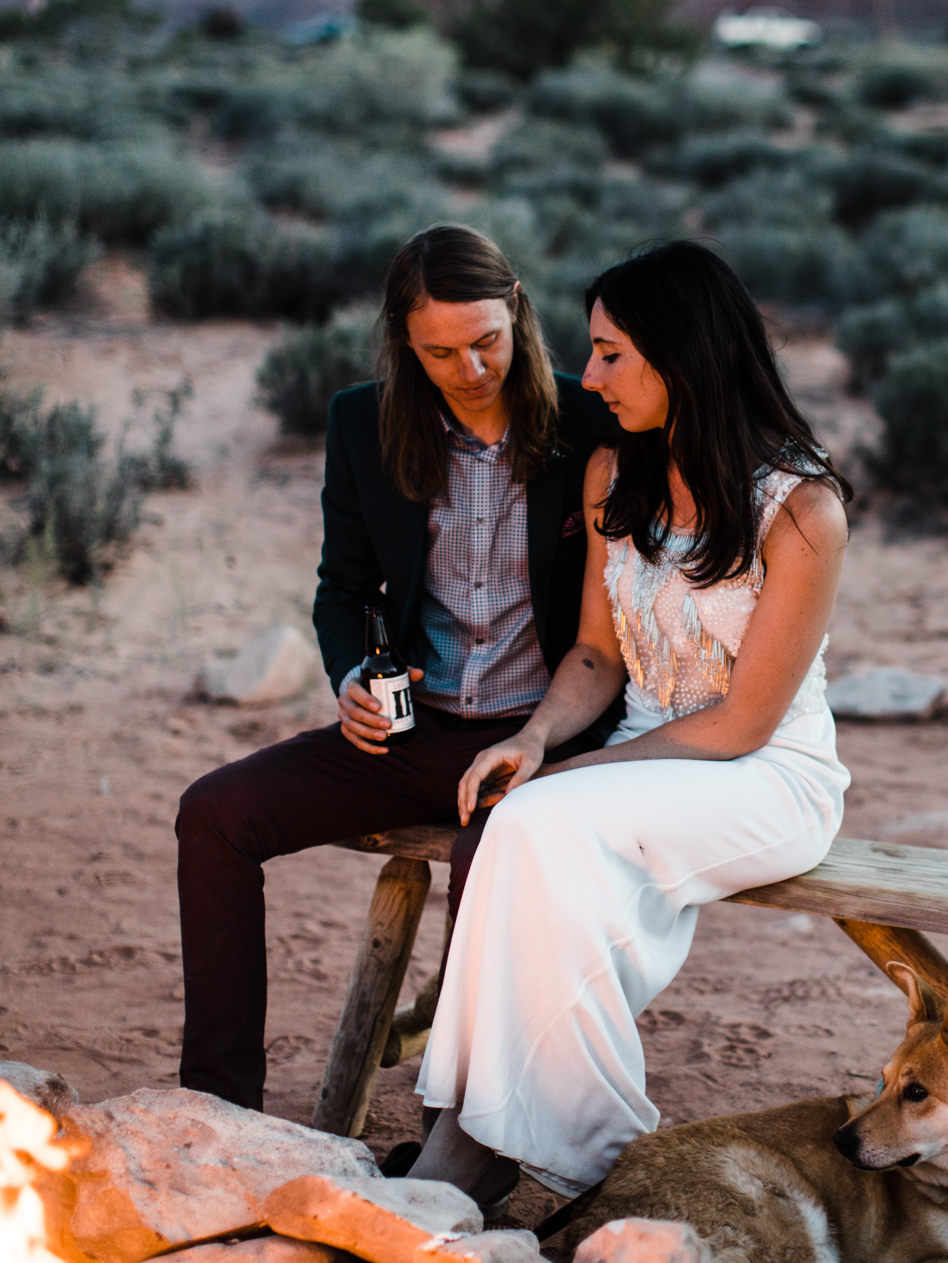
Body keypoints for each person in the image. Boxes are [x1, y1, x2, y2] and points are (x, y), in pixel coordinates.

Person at [410, 240, 852, 1209]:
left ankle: (579, 1153)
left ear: (683, 354)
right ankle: (481, 1133)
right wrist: (534, 740)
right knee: (521, 828)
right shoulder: (614, 472)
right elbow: (597, 656)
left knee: (532, 824)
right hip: (644, 759)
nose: (591, 374)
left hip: (767, 774)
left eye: (611, 352)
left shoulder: (801, 508)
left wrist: (577, 779)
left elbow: (744, 721)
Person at [174, 225, 616, 1113]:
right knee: (214, 815)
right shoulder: (361, 423)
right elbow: (341, 589)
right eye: (439, 351)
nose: (470, 368)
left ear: (517, 312)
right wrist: (346, 679)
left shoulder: (592, 420)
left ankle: (457, 1125)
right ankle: (218, 1110)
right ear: (403, 343)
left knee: (490, 859)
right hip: (413, 731)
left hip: (541, 742)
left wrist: (542, 741)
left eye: (486, 340)